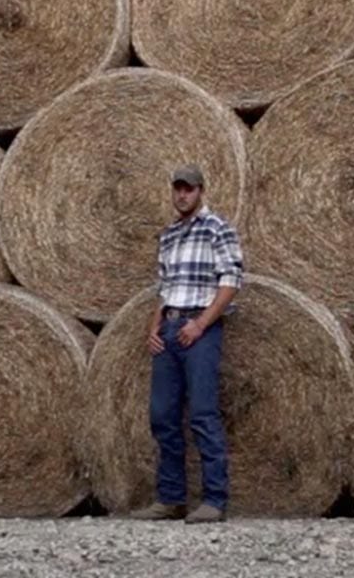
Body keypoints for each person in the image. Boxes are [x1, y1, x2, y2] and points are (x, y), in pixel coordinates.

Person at [125, 164, 243, 523]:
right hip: (170, 327)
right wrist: (154, 327)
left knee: (204, 414)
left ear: (201, 191)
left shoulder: (217, 229)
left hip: (200, 328)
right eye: (177, 188)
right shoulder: (170, 235)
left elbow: (232, 280)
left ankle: (214, 501)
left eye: (188, 189)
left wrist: (201, 324)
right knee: (162, 416)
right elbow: (165, 287)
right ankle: (170, 498)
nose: (182, 195)